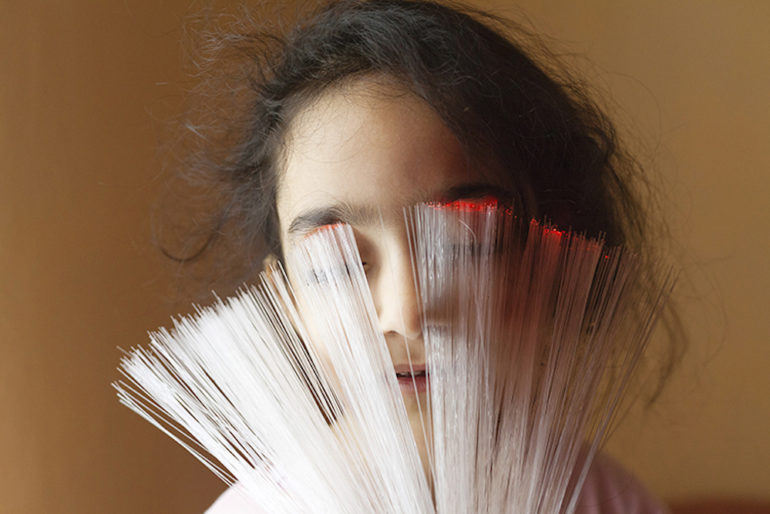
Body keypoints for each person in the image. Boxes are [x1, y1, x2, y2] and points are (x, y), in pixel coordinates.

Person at [165, 1, 678, 511]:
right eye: (336, 262)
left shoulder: (612, 502)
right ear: (288, 302)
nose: (407, 313)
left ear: (555, 265)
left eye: (462, 241)